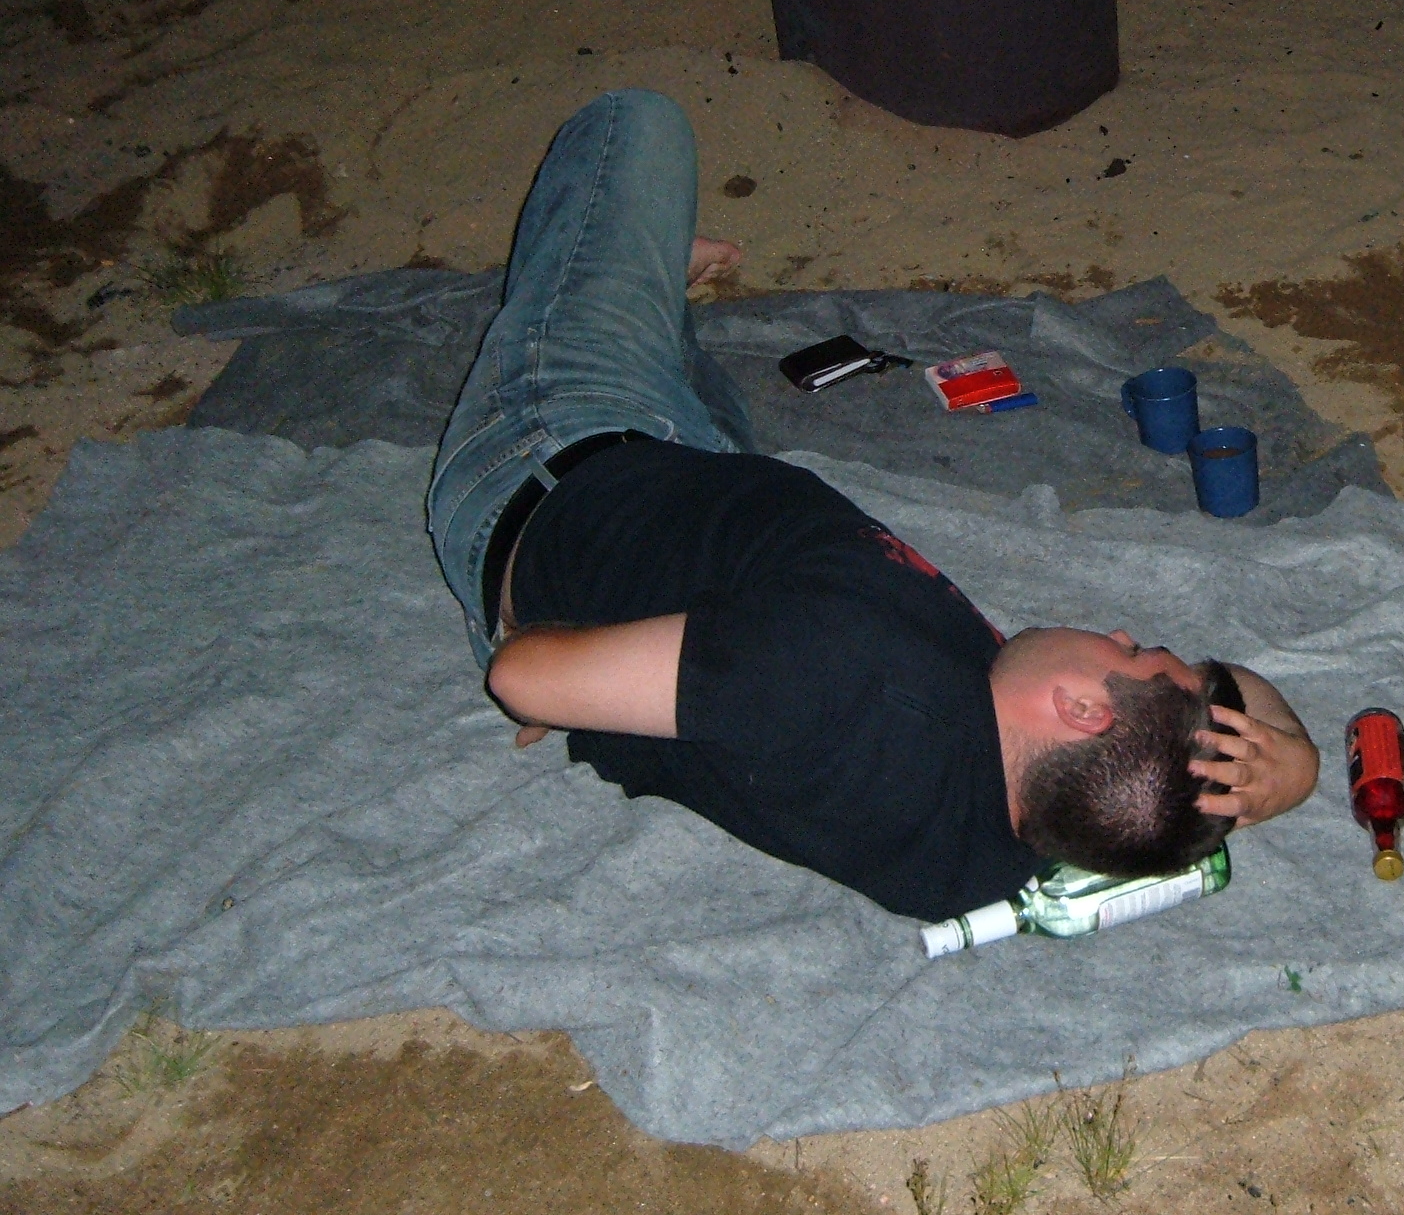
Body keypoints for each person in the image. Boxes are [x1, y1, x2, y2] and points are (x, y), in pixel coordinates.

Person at [426, 89, 1318, 923]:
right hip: (719, 495)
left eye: (1128, 650)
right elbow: (1183, 770)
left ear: (1083, 710)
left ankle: (628, 278)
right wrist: (1298, 770)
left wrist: (580, 667)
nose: (1120, 631)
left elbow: (521, 677)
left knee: (640, 130)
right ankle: (645, 290)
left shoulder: (828, 672)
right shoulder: (1001, 849)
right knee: (689, 368)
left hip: (557, 456)